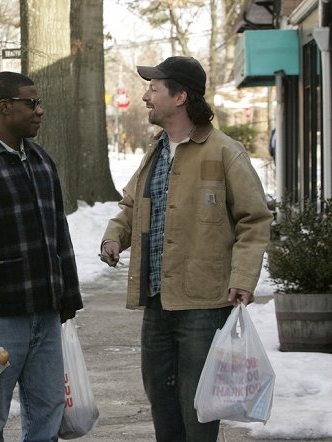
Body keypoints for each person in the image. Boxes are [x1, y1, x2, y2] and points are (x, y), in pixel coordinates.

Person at [99, 56, 273, 442]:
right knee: (161, 399)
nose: (145, 96)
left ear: (180, 96)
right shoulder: (156, 153)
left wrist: (243, 277)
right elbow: (131, 207)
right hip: (157, 301)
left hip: (203, 304)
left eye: (154, 88)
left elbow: (255, 219)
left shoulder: (225, 152)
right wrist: (114, 237)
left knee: (198, 407)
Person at [0, 71, 83, 441]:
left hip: (46, 312)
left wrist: (68, 295)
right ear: (5, 108)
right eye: (31, 103)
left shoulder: (41, 162)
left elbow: (59, 233)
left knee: (49, 409)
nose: (40, 110)